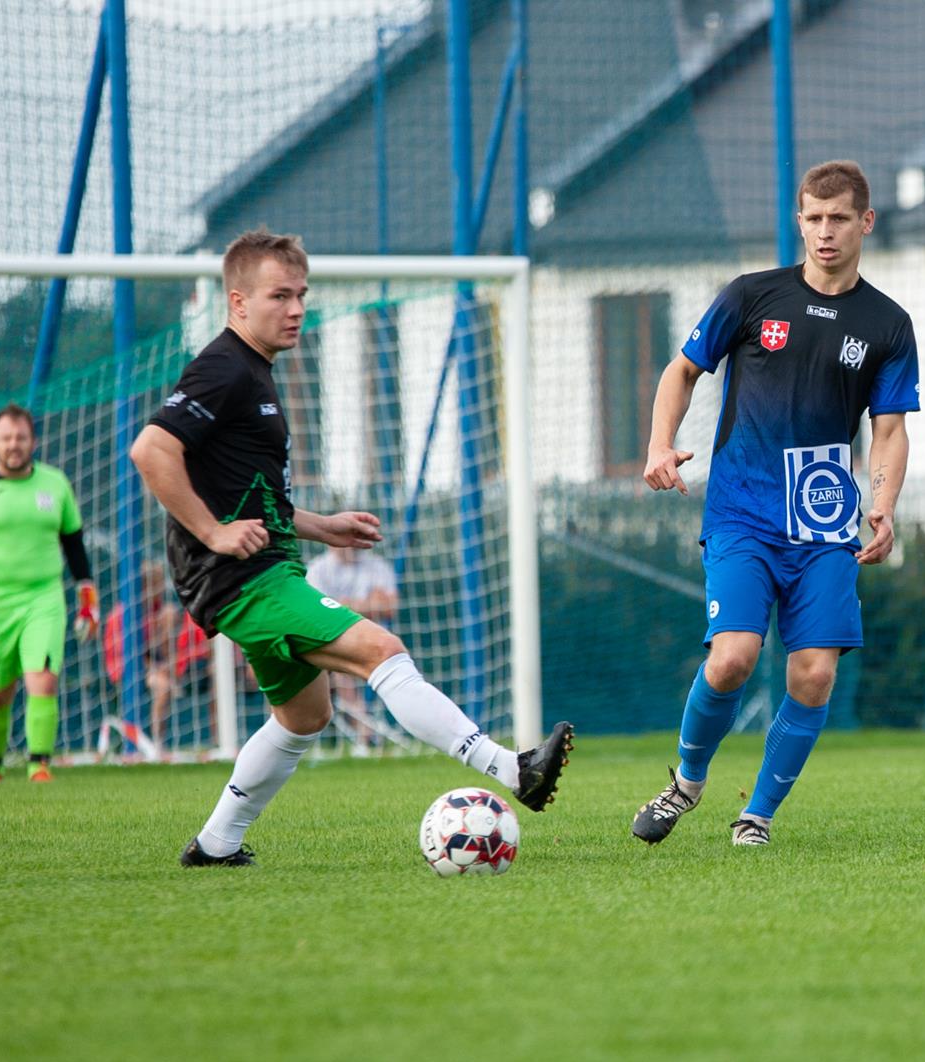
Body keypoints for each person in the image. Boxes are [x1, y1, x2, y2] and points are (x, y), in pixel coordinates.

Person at [129, 227, 574, 868]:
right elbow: (151, 450)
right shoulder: (223, 367)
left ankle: (215, 844)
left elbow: (250, 499)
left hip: (265, 569)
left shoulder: (252, 371)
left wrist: (321, 527)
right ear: (237, 302)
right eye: (279, 295)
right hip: (244, 581)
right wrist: (214, 534)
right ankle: (511, 766)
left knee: (304, 715)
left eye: (301, 294)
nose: (296, 309)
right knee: (381, 650)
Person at [630, 160, 918, 847]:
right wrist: (659, 444)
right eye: (813, 218)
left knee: (814, 672)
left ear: (865, 222)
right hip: (742, 512)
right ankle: (687, 784)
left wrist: (884, 503)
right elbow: (683, 369)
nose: (825, 232)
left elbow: (890, 428)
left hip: (822, 521)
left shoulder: (887, 323)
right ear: (799, 221)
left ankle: (755, 815)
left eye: (839, 218)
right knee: (731, 656)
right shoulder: (751, 296)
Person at [0, 403, 98, 783]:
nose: (14, 444)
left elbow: (74, 544)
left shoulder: (55, 484)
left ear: (33, 441)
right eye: (6, 438)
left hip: (44, 598)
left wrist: (87, 599)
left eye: (21, 437)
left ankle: (39, 766)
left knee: (43, 678)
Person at [101, 560, 212, 754]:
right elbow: (126, 658)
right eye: (157, 585)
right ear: (144, 586)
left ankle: (218, 740)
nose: (161, 589)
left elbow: (168, 652)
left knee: (213, 678)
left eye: (161, 584)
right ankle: (155, 744)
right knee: (162, 686)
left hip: (161, 668)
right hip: (127, 671)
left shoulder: (162, 611)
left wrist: (164, 635)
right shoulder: (120, 615)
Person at [304, 545, 398, 747]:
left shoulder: (377, 565)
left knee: (397, 657)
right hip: (332, 645)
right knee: (340, 668)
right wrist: (367, 604)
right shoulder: (318, 569)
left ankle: (371, 733)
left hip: (375, 643)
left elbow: (389, 606)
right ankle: (365, 734)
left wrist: (344, 605)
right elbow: (319, 615)